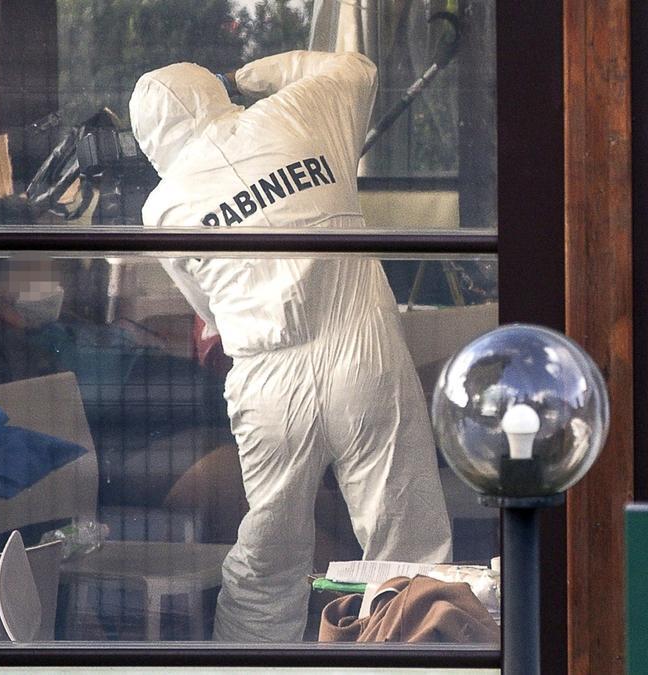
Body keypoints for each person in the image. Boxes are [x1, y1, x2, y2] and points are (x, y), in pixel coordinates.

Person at [129, 51, 453, 642]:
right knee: (406, 536)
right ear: (214, 93)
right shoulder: (299, 112)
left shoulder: (163, 206)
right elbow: (357, 67)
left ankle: (255, 664)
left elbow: (209, 313)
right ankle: (422, 658)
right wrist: (249, 76)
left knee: (270, 551)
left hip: (267, 374)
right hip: (364, 346)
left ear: (151, 140)